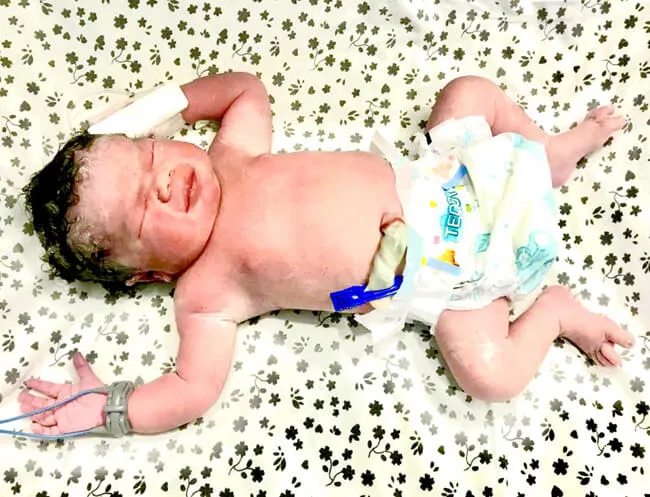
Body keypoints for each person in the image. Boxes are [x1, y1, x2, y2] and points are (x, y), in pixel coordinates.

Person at [20, 73, 634, 437]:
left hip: (453, 175)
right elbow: (191, 388)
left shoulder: (232, 155)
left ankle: (549, 155)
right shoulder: (206, 292)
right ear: (149, 272)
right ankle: (555, 313)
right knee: (490, 375)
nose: (162, 180)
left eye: (150, 154)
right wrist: (112, 409)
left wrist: (152, 110)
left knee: (468, 92)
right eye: (140, 209)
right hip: (451, 277)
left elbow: (244, 88)